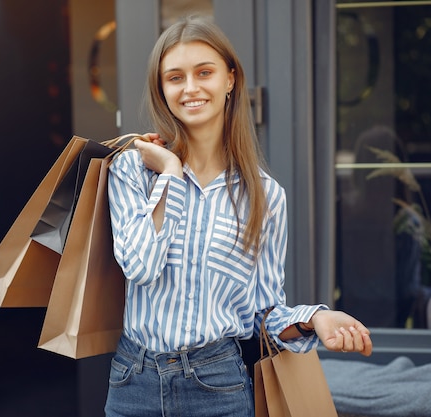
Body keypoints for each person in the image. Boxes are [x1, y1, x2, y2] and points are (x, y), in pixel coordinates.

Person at [105, 15, 373, 417]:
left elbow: (261, 314)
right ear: (161, 89)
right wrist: (172, 174)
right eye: (175, 77)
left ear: (230, 79)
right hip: (133, 382)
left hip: (217, 386)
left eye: (204, 72)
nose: (191, 87)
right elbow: (140, 266)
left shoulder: (265, 197)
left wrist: (316, 318)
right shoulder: (132, 170)